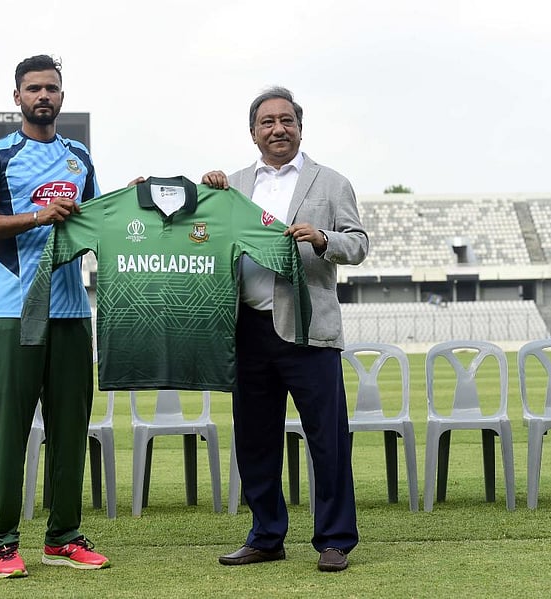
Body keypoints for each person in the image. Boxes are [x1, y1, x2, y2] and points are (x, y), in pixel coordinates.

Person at [202, 86, 369, 572]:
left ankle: (335, 539)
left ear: (300, 126)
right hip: (247, 329)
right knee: (255, 438)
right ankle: (266, 535)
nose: (277, 128)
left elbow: (358, 245)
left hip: (308, 329)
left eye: (286, 120)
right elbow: (198, 234)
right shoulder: (230, 184)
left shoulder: (331, 183)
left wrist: (323, 238)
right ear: (252, 132)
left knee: (328, 437)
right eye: (267, 122)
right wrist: (201, 190)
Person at [0, 54, 110, 578]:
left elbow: (97, 225)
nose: (42, 95)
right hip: (14, 310)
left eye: (51, 88)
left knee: (70, 430)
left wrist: (134, 202)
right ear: (17, 96)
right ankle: (3, 543)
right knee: (9, 430)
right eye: (33, 88)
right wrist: (35, 216)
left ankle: (63, 536)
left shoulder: (79, 157)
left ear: (62, 97)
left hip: (73, 311)